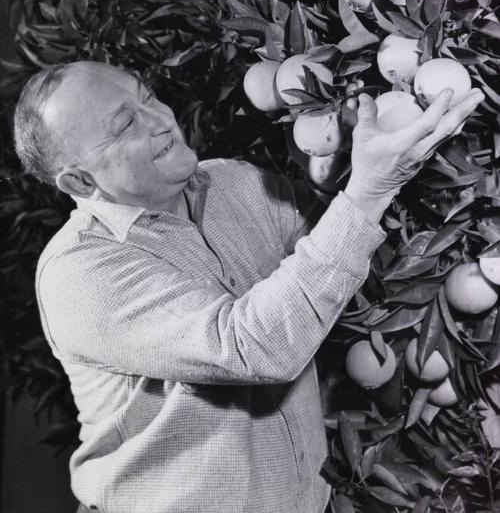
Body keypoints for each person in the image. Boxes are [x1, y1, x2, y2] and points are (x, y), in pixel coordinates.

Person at [13, 60, 484, 513]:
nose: (159, 120)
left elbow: (342, 255)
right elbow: (253, 346)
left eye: (149, 97)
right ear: (79, 180)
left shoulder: (232, 182)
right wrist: (370, 190)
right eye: (123, 126)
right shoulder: (80, 273)